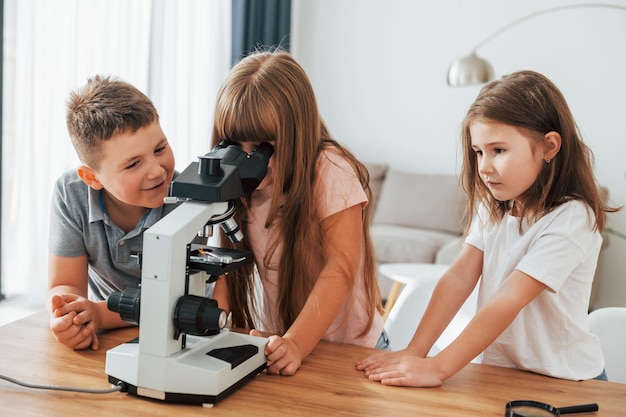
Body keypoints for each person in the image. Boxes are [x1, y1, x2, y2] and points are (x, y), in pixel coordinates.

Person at [356, 70, 619, 386]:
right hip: (501, 375)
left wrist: (439, 368)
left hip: (566, 382)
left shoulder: (573, 217)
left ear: (549, 147)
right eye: (478, 151)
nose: (484, 167)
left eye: (499, 150)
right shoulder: (494, 205)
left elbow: (510, 296)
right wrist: (415, 352)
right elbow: (459, 275)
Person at [209, 49, 387, 376]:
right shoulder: (246, 187)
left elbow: (341, 267)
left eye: (264, 148)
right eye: (238, 147)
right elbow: (225, 267)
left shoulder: (331, 170)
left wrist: (296, 342)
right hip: (288, 344)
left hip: (349, 351)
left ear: (297, 134)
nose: (251, 163)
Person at [47, 75, 177, 350]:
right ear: (92, 178)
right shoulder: (71, 194)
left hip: (175, 334)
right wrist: (70, 316)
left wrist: (99, 315)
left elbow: (174, 300)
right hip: (112, 340)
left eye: (160, 148)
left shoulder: (188, 198)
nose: (156, 170)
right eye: (133, 165)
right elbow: (65, 285)